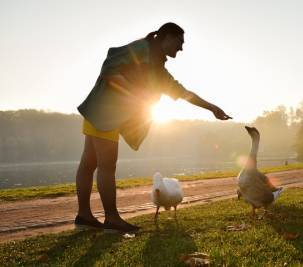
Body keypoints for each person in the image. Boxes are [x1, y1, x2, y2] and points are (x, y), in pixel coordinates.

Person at [74, 22, 232, 233]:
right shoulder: (141, 48)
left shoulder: (158, 68)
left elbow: (182, 92)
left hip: (101, 111)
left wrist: (211, 107)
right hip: (105, 111)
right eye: (179, 42)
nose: (181, 48)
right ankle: (111, 219)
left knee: (89, 164)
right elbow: (109, 69)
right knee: (106, 166)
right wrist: (135, 94)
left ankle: (84, 217)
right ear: (166, 37)